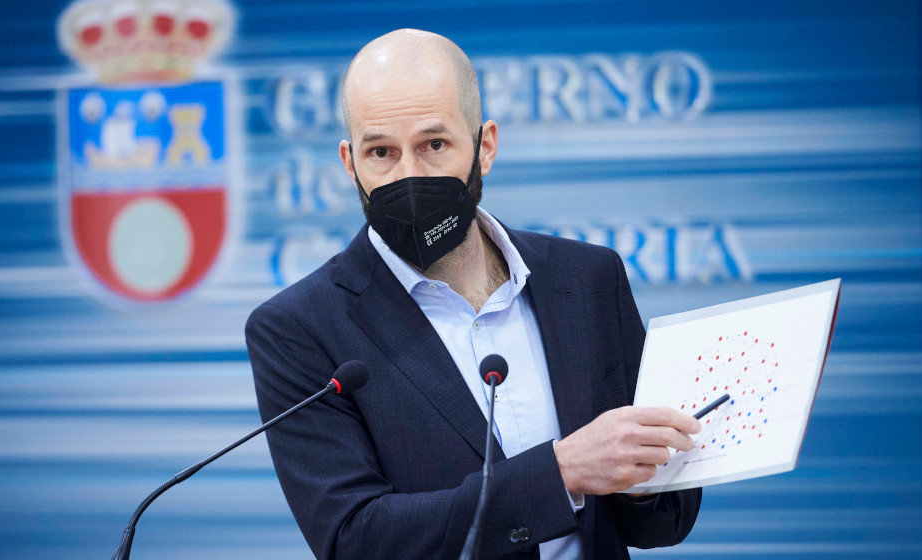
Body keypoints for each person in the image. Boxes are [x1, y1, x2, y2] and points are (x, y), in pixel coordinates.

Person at [245, 29, 702, 560]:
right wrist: (562, 474)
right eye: (381, 153)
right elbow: (355, 540)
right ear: (350, 163)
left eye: (433, 145)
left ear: (485, 145)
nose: (409, 175)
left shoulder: (589, 278)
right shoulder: (300, 327)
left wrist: (639, 477)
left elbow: (661, 524)